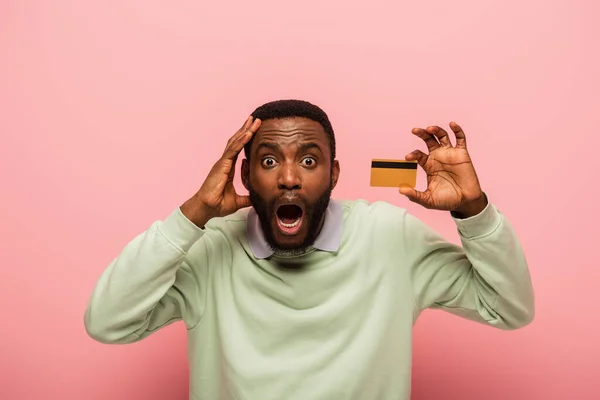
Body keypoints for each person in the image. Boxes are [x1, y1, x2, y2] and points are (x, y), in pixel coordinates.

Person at [84, 99, 534, 400]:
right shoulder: (211, 249)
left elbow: (509, 308)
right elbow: (107, 322)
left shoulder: (388, 237)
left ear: (334, 174)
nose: (289, 179)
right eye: (267, 161)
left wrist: (475, 210)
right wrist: (192, 216)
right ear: (243, 178)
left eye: (308, 160)